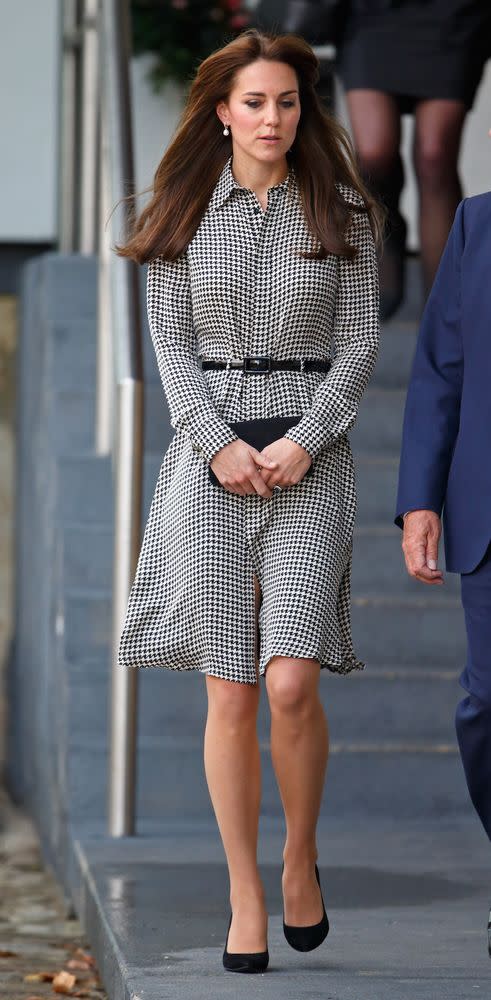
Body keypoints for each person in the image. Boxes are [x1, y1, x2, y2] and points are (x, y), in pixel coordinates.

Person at [116, 27, 381, 974]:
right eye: (255, 102)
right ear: (222, 110)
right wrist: (220, 443)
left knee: (290, 682)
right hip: (211, 464)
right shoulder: (182, 210)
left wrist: (304, 440)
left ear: (301, 112)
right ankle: (242, 891)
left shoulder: (343, 210)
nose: (273, 118)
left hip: (313, 460)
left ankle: (299, 856)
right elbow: (171, 349)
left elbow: (357, 346)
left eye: (287, 102)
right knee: (230, 690)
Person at [395, 173, 491, 954]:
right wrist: (420, 499)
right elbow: (439, 372)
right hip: (487, 518)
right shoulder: (475, 225)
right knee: (485, 710)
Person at [336, 0, 491, 319]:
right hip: (371, 17)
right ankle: (388, 229)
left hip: (453, 16)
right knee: (373, 154)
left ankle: (446, 313)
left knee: (435, 156)